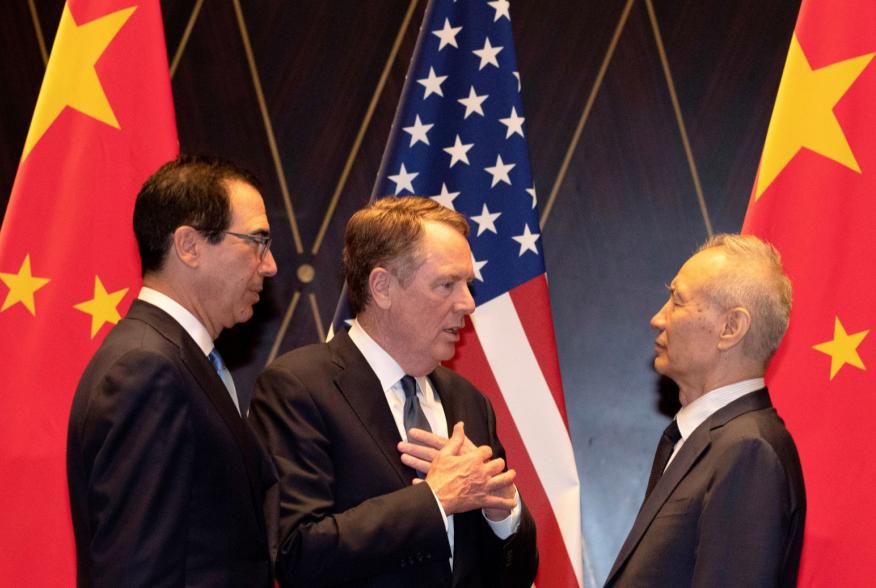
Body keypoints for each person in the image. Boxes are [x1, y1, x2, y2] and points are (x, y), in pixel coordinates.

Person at [249, 196, 538, 587]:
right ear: (382, 287)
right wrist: (434, 501)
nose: (468, 303)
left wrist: (504, 512)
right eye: (446, 284)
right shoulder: (298, 388)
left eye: (467, 284)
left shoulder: (469, 401)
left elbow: (516, 575)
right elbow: (298, 552)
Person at [67, 155, 279, 587]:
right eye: (256, 241)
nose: (270, 264)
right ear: (189, 246)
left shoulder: (176, 359)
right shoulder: (147, 370)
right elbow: (136, 572)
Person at [604, 234, 806, 587]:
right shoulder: (709, 440)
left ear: (730, 328)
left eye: (676, 301)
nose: (657, 318)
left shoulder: (748, 453)